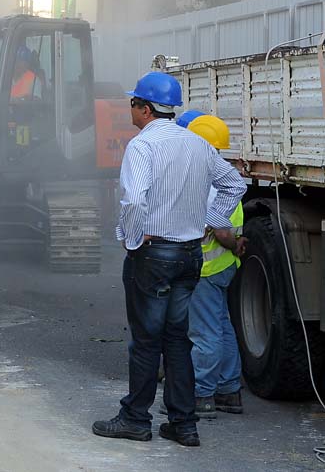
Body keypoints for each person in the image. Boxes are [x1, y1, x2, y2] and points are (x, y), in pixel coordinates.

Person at [92, 72, 246, 448]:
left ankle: (135, 419)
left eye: (133, 103)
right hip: (190, 256)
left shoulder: (142, 146)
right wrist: (209, 220)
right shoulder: (197, 144)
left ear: (145, 109)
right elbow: (235, 184)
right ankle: (183, 424)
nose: (130, 109)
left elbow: (134, 200)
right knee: (177, 340)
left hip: (153, 255)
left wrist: (132, 240)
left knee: (146, 341)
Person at [185, 114, 246, 418]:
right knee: (222, 326)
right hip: (223, 267)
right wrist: (235, 246)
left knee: (204, 333)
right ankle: (229, 391)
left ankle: (201, 395)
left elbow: (220, 231)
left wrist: (231, 242)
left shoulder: (206, 182)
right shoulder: (225, 175)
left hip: (205, 271)